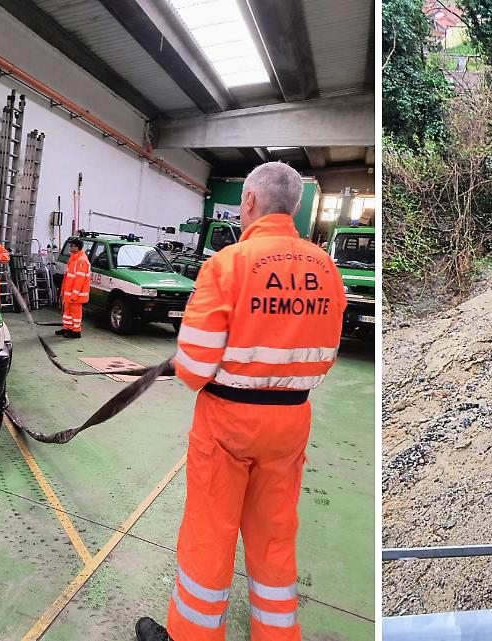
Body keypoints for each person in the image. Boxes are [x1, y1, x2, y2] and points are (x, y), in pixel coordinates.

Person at [135, 162, 346, 641]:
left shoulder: (227, 264)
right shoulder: (325, 267)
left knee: (210, 536)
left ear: (249, 201)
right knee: (274, 538)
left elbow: (192, 368)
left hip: (226, 425)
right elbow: (328, 355)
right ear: (293, 207)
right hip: (291, 423)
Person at [58, 238, 91, 338]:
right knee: (67, 310)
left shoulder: (81, 261)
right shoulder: (74, 258)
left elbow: (79, 280)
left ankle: (76, 331)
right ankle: (67, 328)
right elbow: (68, 277)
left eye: (72, 246)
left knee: (75, 312)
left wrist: (74, 294)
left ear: (77, 247)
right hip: (69, 292)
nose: (70, 247)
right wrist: (63, 291)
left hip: (75, 294)